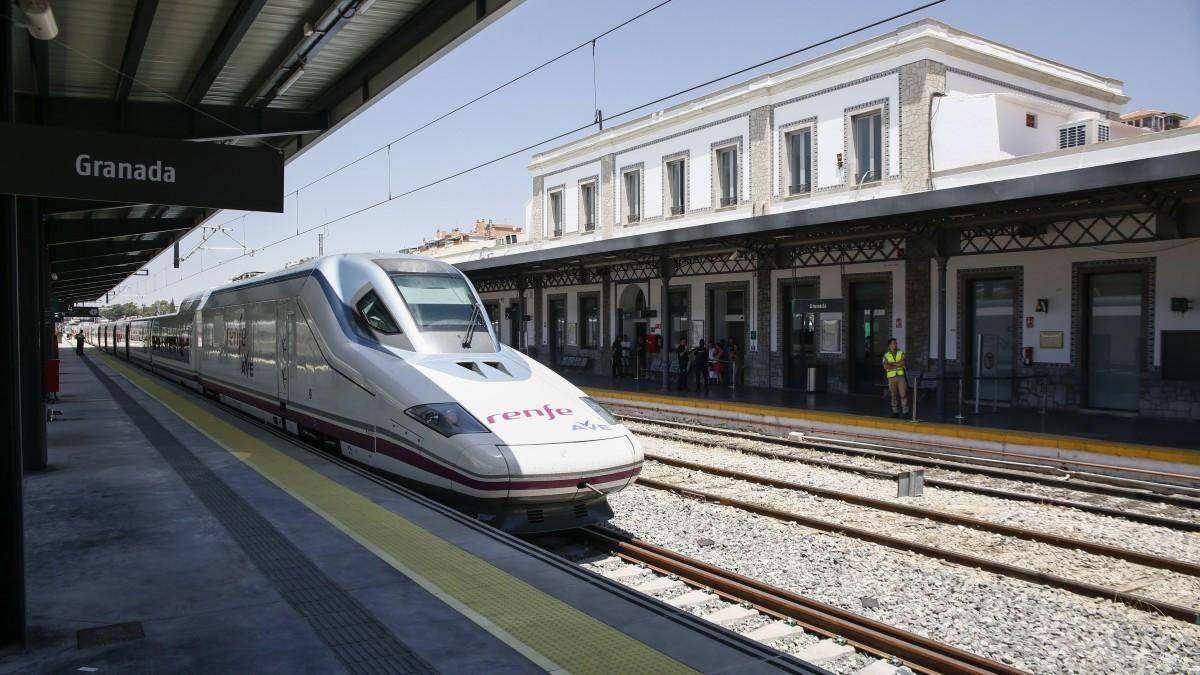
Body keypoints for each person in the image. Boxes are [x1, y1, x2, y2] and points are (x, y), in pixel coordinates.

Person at [882, 338, 909, 418]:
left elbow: (903, 363)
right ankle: (895, 412)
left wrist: (892, 364)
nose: (895, 345)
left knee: (903, 394)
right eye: (894, 343)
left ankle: (905, 412)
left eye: (896, 343)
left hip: (901, 377)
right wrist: (897, 364)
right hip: (891, 377)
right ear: (889, 345)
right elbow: (886, 366)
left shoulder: (901, 353)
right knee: (894, 395)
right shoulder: (886, 355)